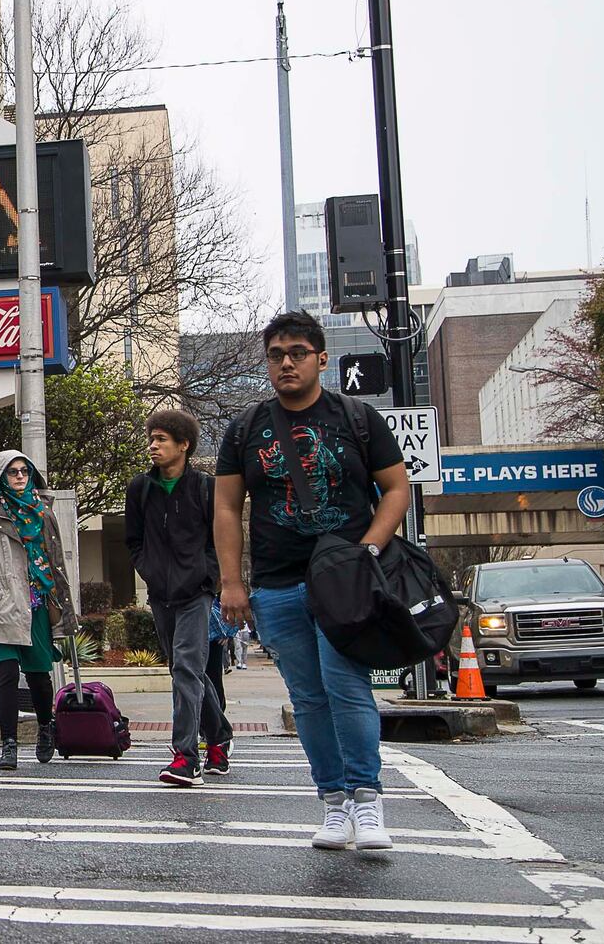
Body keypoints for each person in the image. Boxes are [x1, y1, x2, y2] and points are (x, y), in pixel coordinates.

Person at [215, 310, 410, 851]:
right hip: (277, 583)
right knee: (307, 698)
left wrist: (369, 548)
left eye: (297, 352)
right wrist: (232, 582)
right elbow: (227, 508)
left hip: (345, 580)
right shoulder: (246, 428)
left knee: (346, 687)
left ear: (321, 358)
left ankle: (367, 801)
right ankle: (332, 801)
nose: (286, 363)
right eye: (276, 354)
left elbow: (396, 488)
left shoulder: (358, 417)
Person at [125, 410, 234, 787]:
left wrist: (208, 576)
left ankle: (187, 758)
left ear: (183, 445)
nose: (153, 446)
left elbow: (220, 540)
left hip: (197, 594)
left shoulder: (206, 487)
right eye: (151, 439)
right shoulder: (140, 488)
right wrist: (150, 570)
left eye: (161, 440)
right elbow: (134, 541)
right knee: (187, 670)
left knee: (187, 669)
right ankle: (219, 736)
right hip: (161, 593)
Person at [0, 450, 72, 771]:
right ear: (1, 476)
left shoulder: (43, 512)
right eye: (12, 472)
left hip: (36, 603)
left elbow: (56, 561)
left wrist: (63, 603)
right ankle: (9, 744)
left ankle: (45, 728)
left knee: (39, 676)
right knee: (8, 676)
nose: (19, 477)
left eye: (24, 471)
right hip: (2, 607)